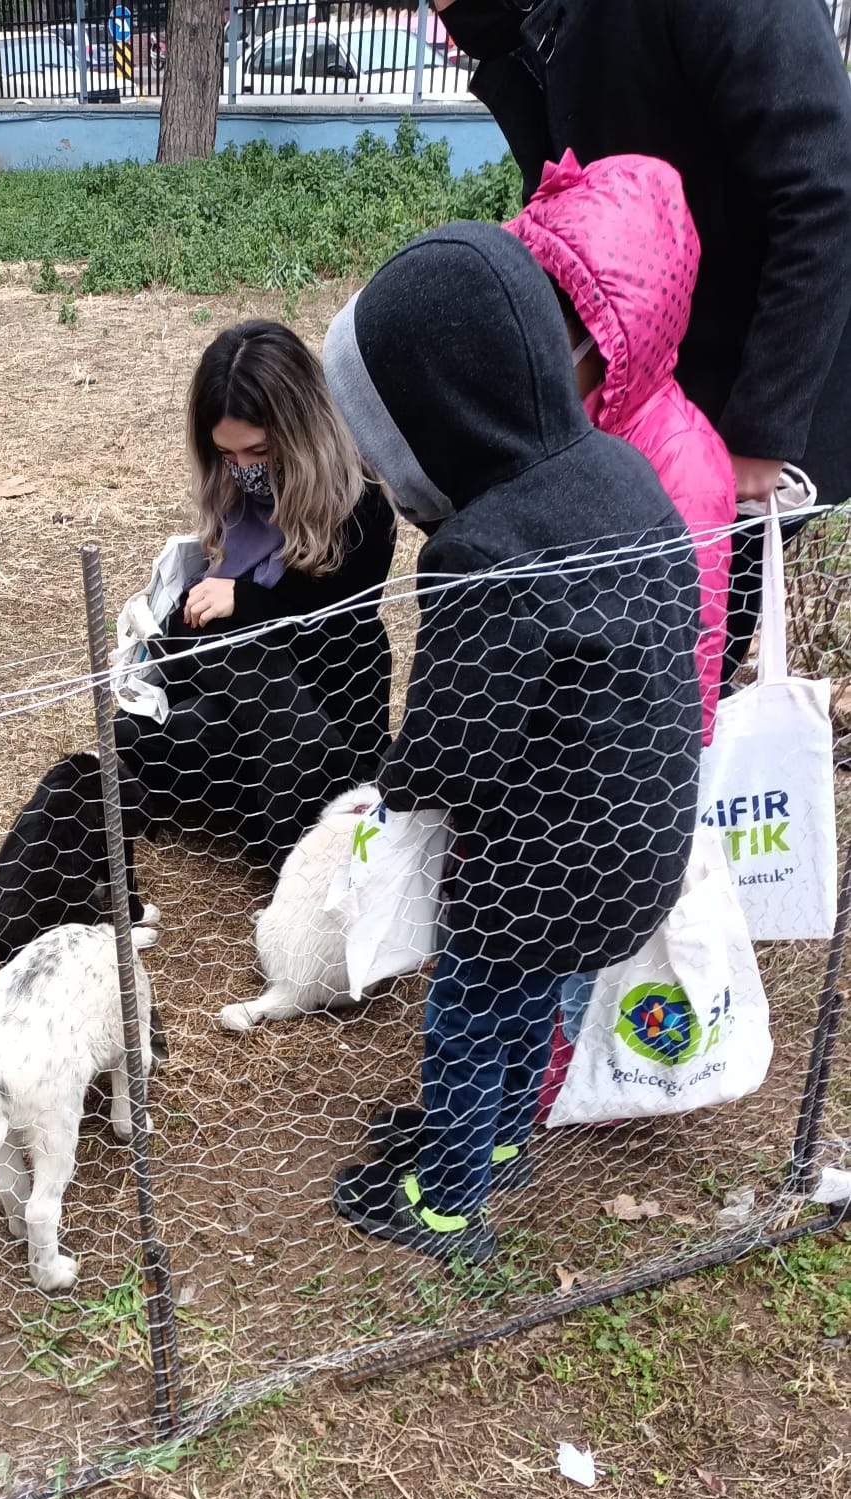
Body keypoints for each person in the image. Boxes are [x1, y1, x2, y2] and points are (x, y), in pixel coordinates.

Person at [321, 223, 701, 1263]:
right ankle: (490, 1143)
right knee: (526, 996)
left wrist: (391, 786)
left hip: (534, 865)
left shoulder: (481, 548)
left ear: (432, 413)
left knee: (468, 1011)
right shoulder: (620, 468)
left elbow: (455, 749)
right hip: (636, 840)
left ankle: (444, 1205)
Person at [431, 0, 851, 676]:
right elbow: (571, 171)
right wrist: (481, 24)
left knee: (674, 675)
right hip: (635, 375)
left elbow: (826, 193)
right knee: (607, 660)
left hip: (732, 399)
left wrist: (759, 435)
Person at [113, 319, 397, 873]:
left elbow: (338, 629)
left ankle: (296, 827)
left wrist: (244, 602)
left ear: (300, 430)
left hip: (327, 702)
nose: (243, 470)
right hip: (252, 714)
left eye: (258, 451)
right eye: (228, 455)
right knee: (155, 731)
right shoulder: (236, 498)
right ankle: (279, 817)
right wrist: (203, 615)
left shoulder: (362, 505)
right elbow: (182, 646)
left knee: (221, 677)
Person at [506, 150, 735, 744]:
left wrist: (679, 757)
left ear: (614, 335)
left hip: (623, 752)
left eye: (552, 334)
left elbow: (695, 645)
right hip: (536, 718)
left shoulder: (686, 465)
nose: (530, 353)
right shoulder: (544, 423)